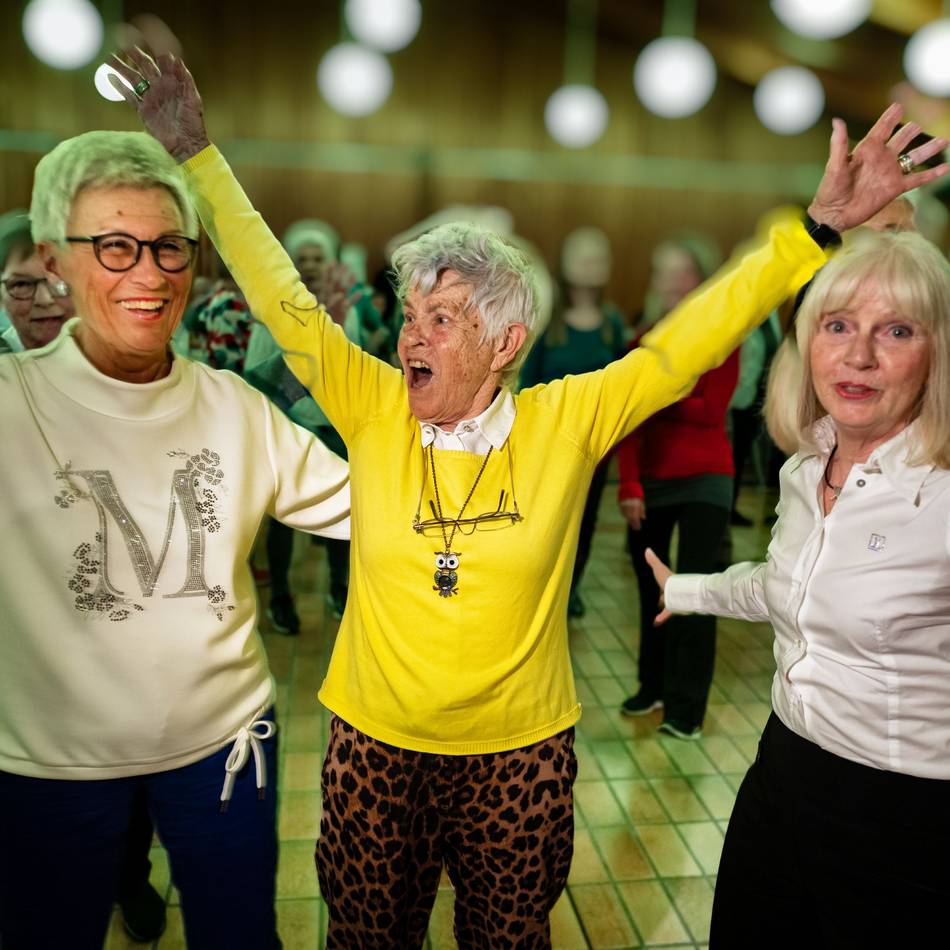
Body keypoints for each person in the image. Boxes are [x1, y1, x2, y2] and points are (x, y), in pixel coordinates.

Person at [113, 48, 945, 948]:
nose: (410, 339)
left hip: (519, 754)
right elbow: (284, 299)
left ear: (505, 341)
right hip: (373, 748)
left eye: (443, 319)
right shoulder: (373, 404)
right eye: (410, 316)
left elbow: (691, 339)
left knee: (508, 940)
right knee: (364, 935)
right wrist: (196, 155)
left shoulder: (567, 419)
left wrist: (814, 228)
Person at [0, 130, 351, 950]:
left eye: (169, 248)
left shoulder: (234, 407)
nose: (150, 275)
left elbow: (376, 512)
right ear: (55, 260)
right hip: (51, 763)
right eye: (115, 247)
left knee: (239, 937)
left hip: (225, 745)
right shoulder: (13, 404)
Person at [645, 228, 950, 947]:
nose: (859, 355)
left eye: (896, 330)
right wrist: (686, 590)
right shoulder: (803, 470)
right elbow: (785, 584)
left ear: (936, 355)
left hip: (905, 810)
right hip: (783, 771)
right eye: (837, 325)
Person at [616, 234, 739, 740]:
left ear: (701, 280)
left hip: (705, 481)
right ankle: (653, 686)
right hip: (649, 483)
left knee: (694, 593)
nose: (672, 280)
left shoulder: (722, 337)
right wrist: (628, 485)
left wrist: (654, 393)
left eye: (683, 271)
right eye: (664, 270)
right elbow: (626, 420)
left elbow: (709, 410)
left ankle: (686, 709)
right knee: (650, 593)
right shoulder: (641, 339)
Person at [519, 226, 628, 618]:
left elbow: (621, 388)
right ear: (563, 263)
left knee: (585, 521)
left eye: (599, 255)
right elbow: (527, 382)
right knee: (544, 520)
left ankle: (571, 589)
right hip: (547, 445)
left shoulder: (613, 323)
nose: (591, 263)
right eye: (582, 255)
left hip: (594, 448)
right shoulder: (547, 318)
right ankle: (537, 590)